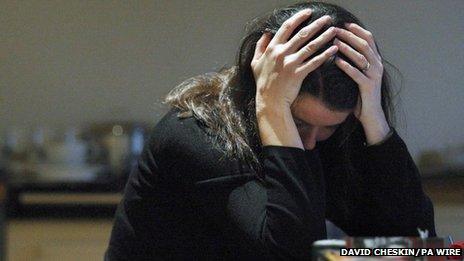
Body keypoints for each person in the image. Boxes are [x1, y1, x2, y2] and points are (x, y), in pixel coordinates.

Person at [105, 1, 436, 260]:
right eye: (299, 123)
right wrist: (272, 109)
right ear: (260, 92)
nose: (309, 143)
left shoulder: (338, 136)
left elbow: (416, 243)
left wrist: (374, 119)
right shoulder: (196, 134)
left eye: (329, 128)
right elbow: (289, 252)